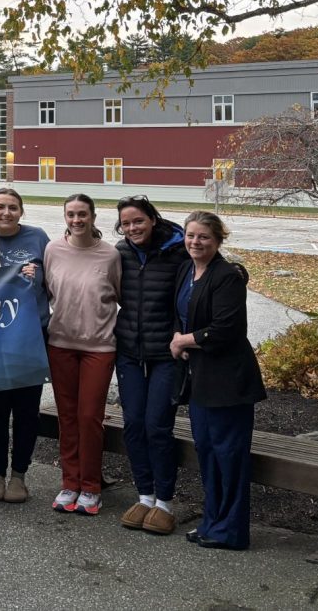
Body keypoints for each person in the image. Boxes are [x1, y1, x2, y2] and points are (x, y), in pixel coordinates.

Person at [172, 211, 266, 550]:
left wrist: (183, 341)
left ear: (218, 240)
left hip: (229, 383)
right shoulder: (186, 270)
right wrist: (181, 338)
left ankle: (232, 531)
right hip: (201, 381)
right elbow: (181, 314)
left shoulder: (227, 277)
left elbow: (226, 329)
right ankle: (211, 522)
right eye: (191, 235)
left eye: (204, 237)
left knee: (229, 456)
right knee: (208, 453)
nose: (195, 242)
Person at [114, 196, 189, 535]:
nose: (133, 228)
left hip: (166, 353)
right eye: (126, 224)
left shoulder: (179, 251)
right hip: (129, 350)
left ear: (153, 220)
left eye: (138, 221)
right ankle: (145, 495)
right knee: (133, 423)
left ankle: (165, 502)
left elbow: (209, 272)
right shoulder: (121, 252)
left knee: (157, 426)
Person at [44, 194, 121, 516]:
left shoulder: (110, 255)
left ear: (93, 217)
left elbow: (121, 296)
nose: (77, 220)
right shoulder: (53, 250)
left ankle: (90, 486)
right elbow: (46, 291)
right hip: (61, 344)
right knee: (67, 417)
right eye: (71, 214)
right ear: (65, 217)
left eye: (82, 214)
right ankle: (70, 482)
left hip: (98, 347)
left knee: (89, 417)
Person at [0, 188, 50, 503]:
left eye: (12, 207)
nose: (6, 213)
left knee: (26, 410)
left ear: (21, 211)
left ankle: (19, 475)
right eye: (0, 207)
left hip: (31, 335)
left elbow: (54, 283)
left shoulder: (38, 238)